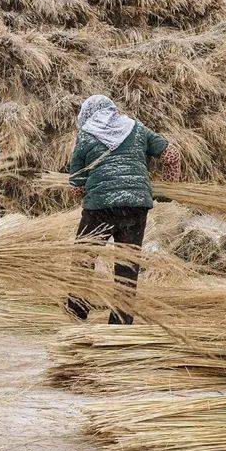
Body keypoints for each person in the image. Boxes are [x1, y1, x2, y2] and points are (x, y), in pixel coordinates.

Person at [65, 95, 182, 325]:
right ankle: (119, 325)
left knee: (83, 259)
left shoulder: (86, 135)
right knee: (127, 266)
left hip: (100, 208)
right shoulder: (136, 128)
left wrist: (86, 188)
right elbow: (172, 155)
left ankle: (77, 313)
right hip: (136, 206)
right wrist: (168, 189)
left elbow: (75, 187)